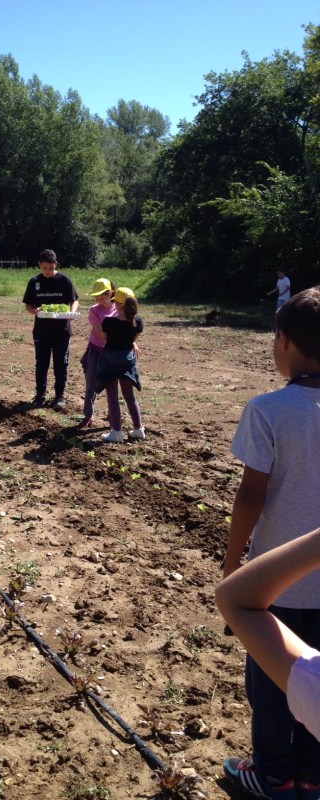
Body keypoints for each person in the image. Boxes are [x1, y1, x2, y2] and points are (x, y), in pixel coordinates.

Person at [221, 286, 320, 800]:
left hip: (274, 587)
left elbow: (251, 497)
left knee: (272, 680)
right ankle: (312, 775)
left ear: (283, 341)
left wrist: (233, 564)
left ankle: (272, 774)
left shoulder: (268, 410)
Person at [216, 527, 320, 746]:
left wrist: (232, 561)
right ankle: (308, 766)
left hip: (275, 591)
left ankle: (271, 764)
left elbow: (234, 599)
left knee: (269, 694)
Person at [22, 249, 79, 411]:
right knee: (42, 363)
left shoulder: (64, 280)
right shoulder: (34, 282)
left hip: (62, 331)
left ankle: (59, 396)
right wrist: (34, 311)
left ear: (56, 265)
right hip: (41, 331)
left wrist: (71, 313)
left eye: (51, 268)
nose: (48, 271)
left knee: (61, 364)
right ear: (39, 265)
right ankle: (40, 395)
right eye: (45, 268)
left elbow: (74, 300)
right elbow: (28, 304)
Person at [94, 287, 145, 443]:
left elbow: (103, 337)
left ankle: (116, 431)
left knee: (112, 397)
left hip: (110, 360)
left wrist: (95, 322)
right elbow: (132, 340)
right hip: (127, 360)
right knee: (129, 396)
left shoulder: (108, 322)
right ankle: (138, 429)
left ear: (117, 304)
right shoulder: (137, 323)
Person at [77, 278, 117, 429]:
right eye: (96, 297)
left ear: (110, 293)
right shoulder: (94, 310)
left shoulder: (119, 309)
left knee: (111, 385)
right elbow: (100, 334)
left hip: (112, 352)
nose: (99, 300)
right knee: (91, 383)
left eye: (102, 296)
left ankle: (113, 416)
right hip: (96, 349)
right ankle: (88, 415)